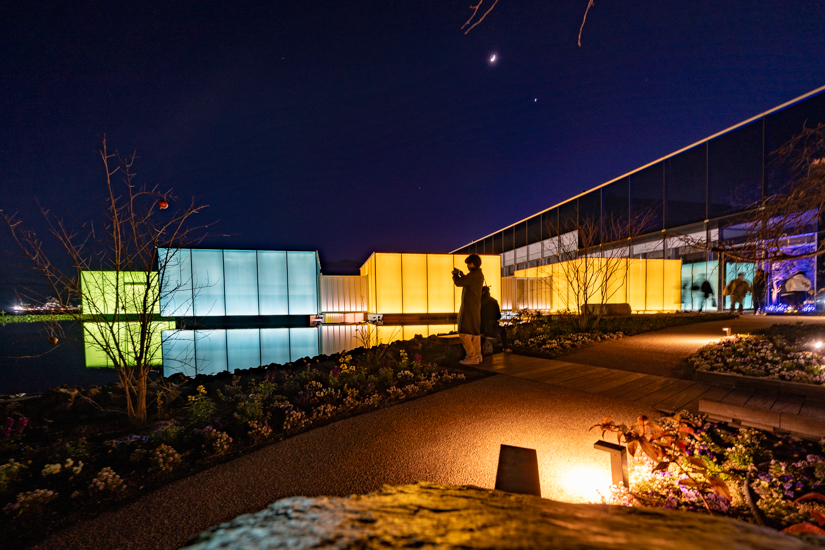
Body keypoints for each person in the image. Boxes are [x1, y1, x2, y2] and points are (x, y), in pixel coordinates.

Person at [452, 254, 484, 365]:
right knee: (474, 334)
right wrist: (462, 274)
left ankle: (471, 356)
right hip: (475, 307)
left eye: (468, 264)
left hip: (469, 307)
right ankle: (478, 356)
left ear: (472, 264)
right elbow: (467, 281)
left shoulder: (474, 275)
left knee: (464, 333)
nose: (467, 266)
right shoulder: (478, 274)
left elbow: (459, 283)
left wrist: (456, 276)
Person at [480, 285, 511, 353]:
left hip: (480, 329)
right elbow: (498, 316)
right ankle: (505, 348)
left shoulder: (478, 302)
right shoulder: (493, 301)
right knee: (502, 330)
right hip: (491, 330)